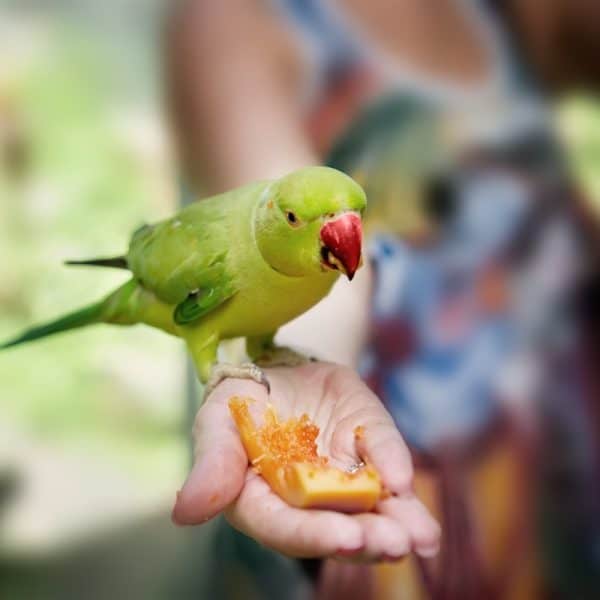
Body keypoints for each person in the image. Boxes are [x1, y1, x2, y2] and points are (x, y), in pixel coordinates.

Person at [166, 1, 600, 598]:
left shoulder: (501, 18)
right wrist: (293, 367)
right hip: (382, 501)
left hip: (553, 499)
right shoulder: (235, 24)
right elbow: (286, 253)